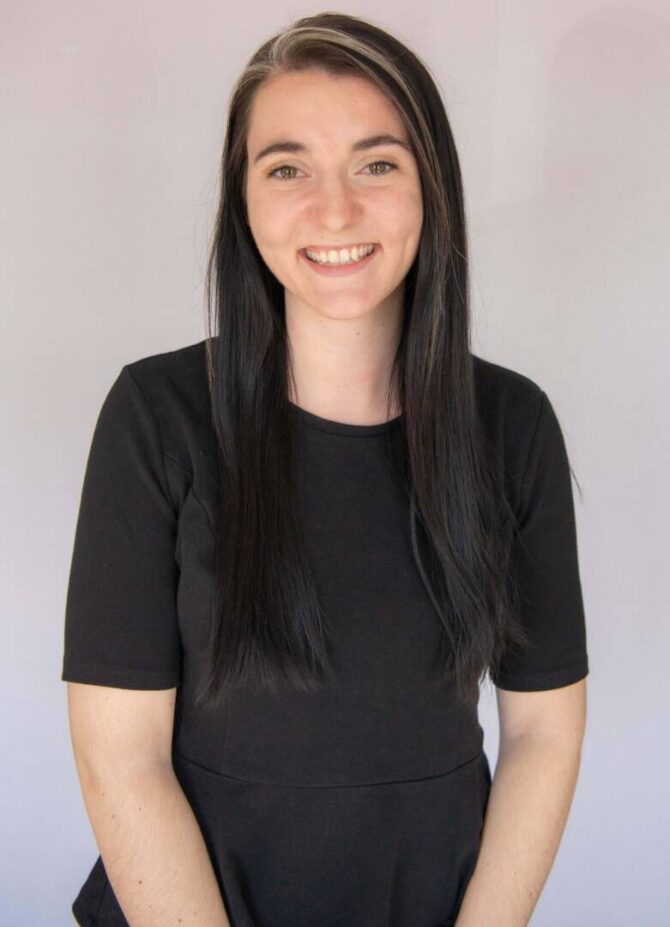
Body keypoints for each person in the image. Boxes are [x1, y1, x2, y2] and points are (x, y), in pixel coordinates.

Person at [62, 12, 589, 927]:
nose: (335, 210)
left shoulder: (513, 426)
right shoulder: (157, 416)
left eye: (377, 163)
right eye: (287, 168)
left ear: (431, 187)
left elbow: (542, 729)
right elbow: (122, 757)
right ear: (246, 199)